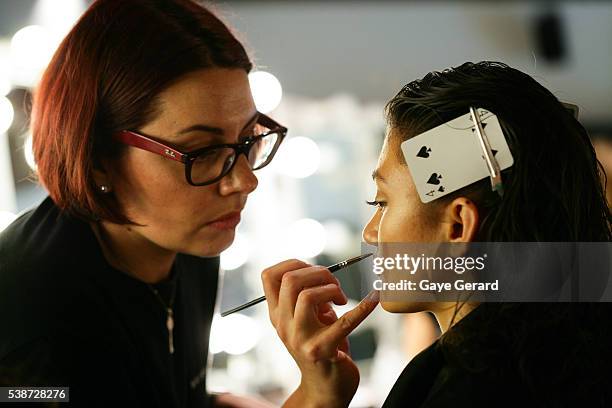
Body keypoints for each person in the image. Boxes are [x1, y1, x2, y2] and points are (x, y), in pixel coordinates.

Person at [261, 61, 612, 407]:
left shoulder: (461, 391)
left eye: (381, 202)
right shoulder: (574, 354)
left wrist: (317, 398)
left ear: (458, 225)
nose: (370, 233)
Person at [0, 1, 285, 407]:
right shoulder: (30, 329)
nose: (244, 180)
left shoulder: (187, 237)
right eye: (201, 150)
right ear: (98, 160)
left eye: (247, 140)